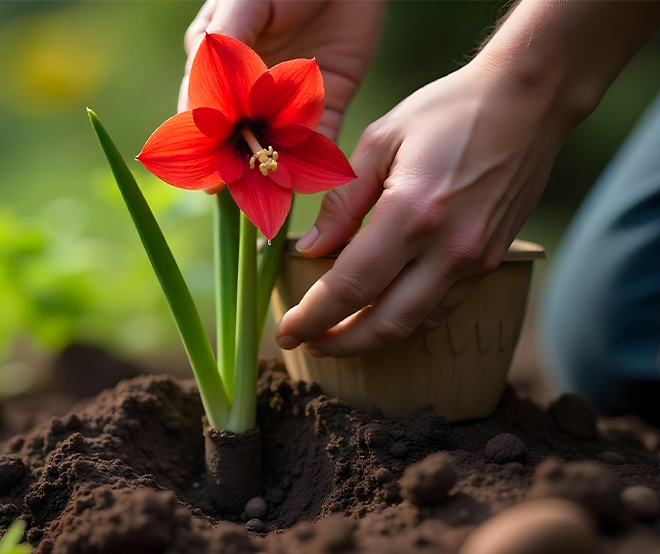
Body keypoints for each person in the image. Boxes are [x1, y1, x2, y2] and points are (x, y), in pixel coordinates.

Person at [180, 0, 660, 417]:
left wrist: (526, 83)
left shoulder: (270, 147)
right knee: (616, 347)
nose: (264, 159)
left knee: (617, 342)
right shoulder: (261, 152)